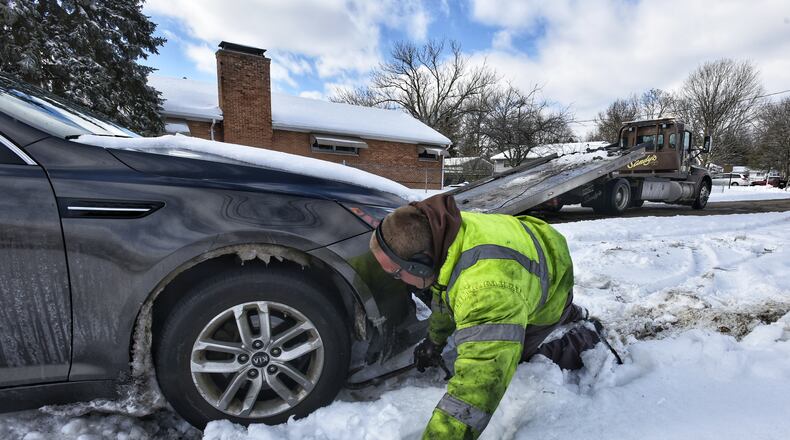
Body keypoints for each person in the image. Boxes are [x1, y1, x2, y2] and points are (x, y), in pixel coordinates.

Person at [369, 193, 615, 439]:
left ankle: (580, 335)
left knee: (515, 358)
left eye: (396, 273)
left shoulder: (484, 292)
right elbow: (443, 296)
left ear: (419, 264)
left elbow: (479, 385)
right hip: (528, 253)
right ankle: (566, 314)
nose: (397, 281)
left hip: (550, 281)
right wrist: (435, 341)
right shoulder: (443, 234)